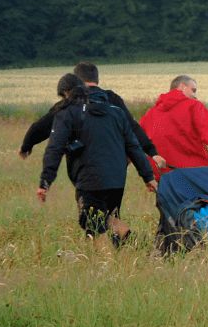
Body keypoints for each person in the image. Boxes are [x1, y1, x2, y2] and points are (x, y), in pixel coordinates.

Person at [37, 78, 157, 246]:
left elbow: (54, 148)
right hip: (117, 178)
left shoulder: (68, 113)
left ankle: (107, 263)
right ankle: (133, 247)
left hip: (90, 178)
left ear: (67, 93)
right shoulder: (116, 112)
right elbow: (133, 146)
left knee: (93, 221)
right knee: (106, 218)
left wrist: (45, 181)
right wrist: (148, 177)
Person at [19, 61, 166, 170]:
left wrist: (27, 145)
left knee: (88, 209)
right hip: (115, 166)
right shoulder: (112, 99)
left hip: (84, 167)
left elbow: (41, 126)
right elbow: (133, 127)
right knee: (112, 210)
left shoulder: (70, 102)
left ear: (75, 81)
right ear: (97, 79)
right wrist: (152, 153)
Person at [139, 75, 208, 179]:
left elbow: (135, 141)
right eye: (193, 90)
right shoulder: (194, 106)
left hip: (163, 176)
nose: (195, 95)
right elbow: (207, 133)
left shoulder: (150, 114)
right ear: (182, 86)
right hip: (195, 173)